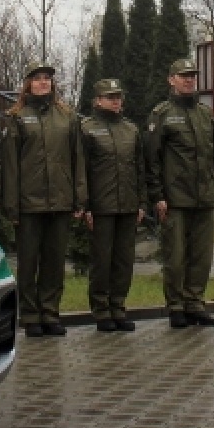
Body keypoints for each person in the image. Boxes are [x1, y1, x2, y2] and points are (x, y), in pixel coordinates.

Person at [1, 61, 86, 337]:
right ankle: (29, 315)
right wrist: (11, 205)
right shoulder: (17, 117)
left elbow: (77, 159)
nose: (43, 83)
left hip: (60, 201)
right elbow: (10, 165)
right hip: (29, 204)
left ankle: (50, 312)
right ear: (28, 84)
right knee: (28, 263)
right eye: (37, 79)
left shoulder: (67, 117)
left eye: (47, 79)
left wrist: (79, 198)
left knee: (54, 262)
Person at [144, 58, 214, 328]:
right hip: (176, 198)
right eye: (183, 76)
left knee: (202, 256)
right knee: (175, 257)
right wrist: (158, 196)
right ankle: (176, 305)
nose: (189, 80)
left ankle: (195, 303)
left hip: (205, 197)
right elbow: (152, 159)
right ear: (171, 80)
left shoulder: (204, 113)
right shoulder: (161, 113)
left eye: (192, 76)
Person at [79, 78, 146, 332]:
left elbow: (139, 167)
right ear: (97, 100)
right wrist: (85, 206)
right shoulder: (86, 129)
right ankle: (101, 309)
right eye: (110, 96)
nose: (116, 100)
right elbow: (81, 170)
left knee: (124, 260)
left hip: (128, 205)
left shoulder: (131, 130)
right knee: (101, 261)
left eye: (118, 96)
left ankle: (118, 307)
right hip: (101, 206)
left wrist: (141, 201)